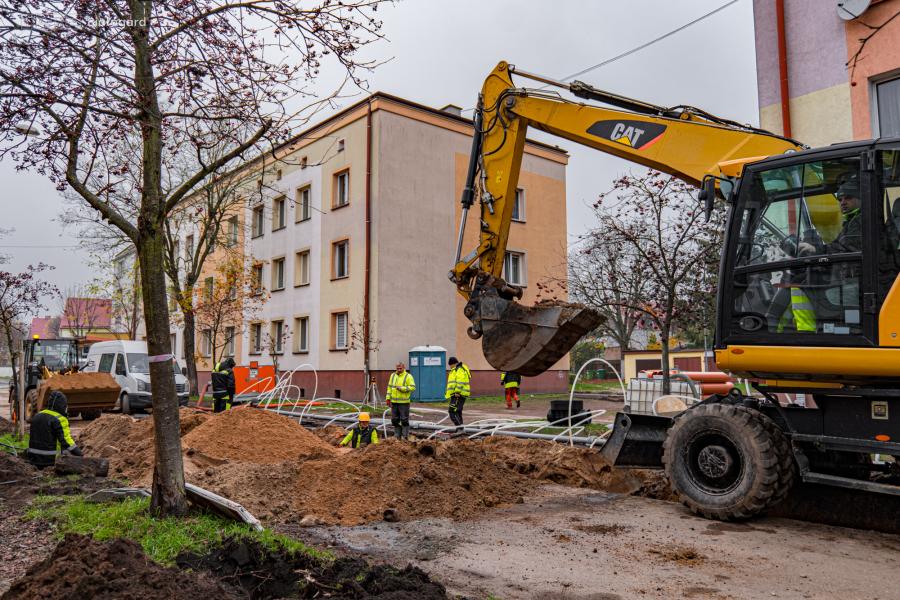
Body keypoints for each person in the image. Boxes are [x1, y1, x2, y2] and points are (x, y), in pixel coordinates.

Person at [26, 390, 83, 468]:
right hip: (50, 461)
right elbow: (66, 441)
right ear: (62, 405)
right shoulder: (60, 419)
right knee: (65, 447)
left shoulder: (37, 416)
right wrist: (79, 453)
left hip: (33, 459)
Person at [386, 361, 415, 440]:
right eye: (397, 368)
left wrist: (402, 388)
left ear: (404, 368)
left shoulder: (408, 376)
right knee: (394, 420)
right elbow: (389, 387)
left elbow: (412, 387)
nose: (399, 369)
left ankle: (405, 436)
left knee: (404, 420)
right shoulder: (393, 376)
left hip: (404, 403)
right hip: (394, 402)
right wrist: (388, 398)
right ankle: (397, 436)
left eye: (400, 368)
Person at [445, 356, 471, 430]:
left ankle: (459, 429)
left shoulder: (459, 369)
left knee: (452, 411)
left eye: (450, 365)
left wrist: (457, 391)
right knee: (458, 412)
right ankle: (460, 429)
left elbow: (460, 381)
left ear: (452, 364)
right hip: (459, 394)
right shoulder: (460, 369)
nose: (450, 367)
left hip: (458, 394)